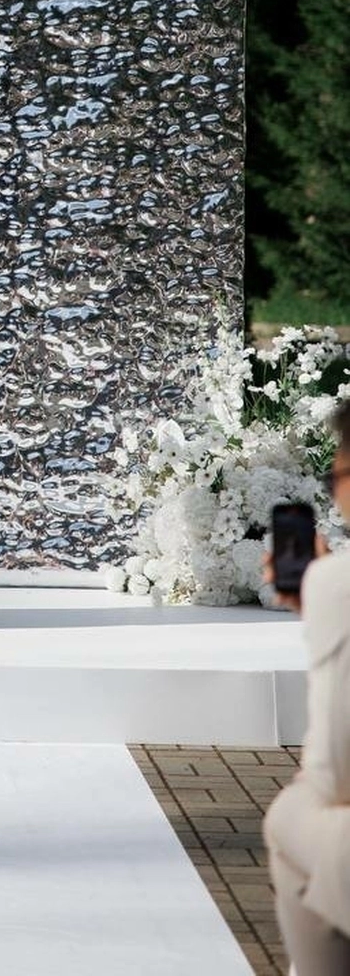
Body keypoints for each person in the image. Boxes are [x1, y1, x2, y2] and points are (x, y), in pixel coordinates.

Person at [264, 401, 350, 975]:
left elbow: (338, 773)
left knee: (296, 813)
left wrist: (323, 597)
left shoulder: (336, 582)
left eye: (334, 475)